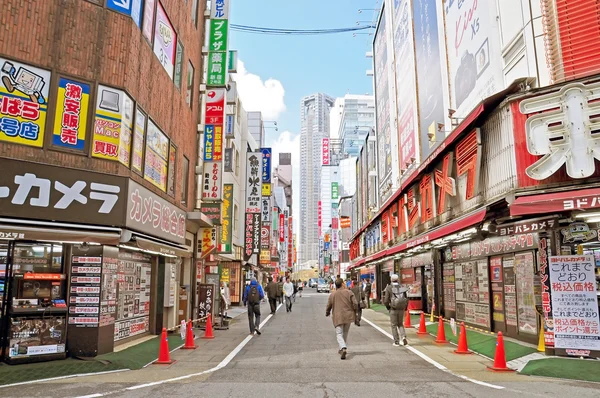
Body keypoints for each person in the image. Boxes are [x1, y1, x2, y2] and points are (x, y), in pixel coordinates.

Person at [326, 278, 357, 360]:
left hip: (338, 316)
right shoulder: (349, 292)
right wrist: (355, 311)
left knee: (339, 333)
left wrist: (327, 312)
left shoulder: (333, 294)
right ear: (342, 284)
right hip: (348, 315)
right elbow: (355, 303)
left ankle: (343, 347)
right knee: (345, 332)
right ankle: (342, 348)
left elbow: (329, 305)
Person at [383, 274, 409, 346]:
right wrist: (405, 308)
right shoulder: (402, 287)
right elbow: (406, 298)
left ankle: (396, 341)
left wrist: (388, 307)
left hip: (393, 308)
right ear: (398, 279)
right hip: (402, 308)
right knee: (400, 324)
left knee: (394, 325)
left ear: (391, 279)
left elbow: (386, 300)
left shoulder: (389, 287)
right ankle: (403, 337)